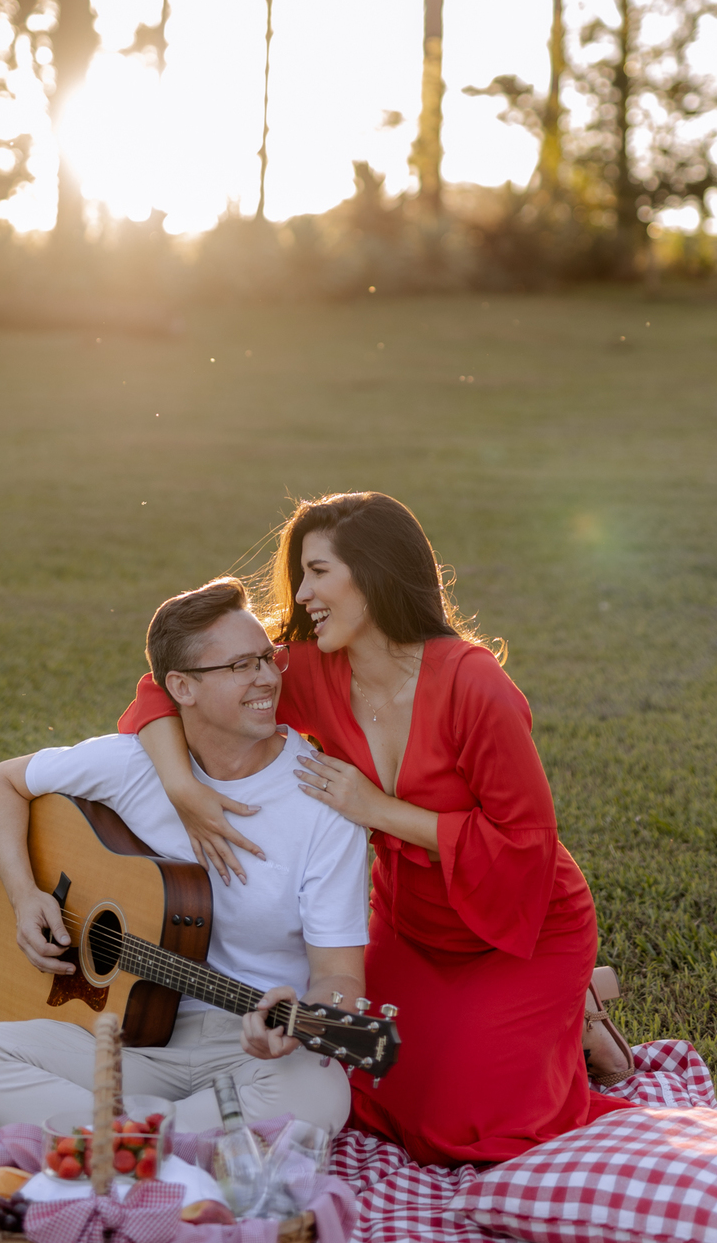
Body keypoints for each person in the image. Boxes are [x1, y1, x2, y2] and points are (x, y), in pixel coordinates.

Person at [117, 492, 636, 1168]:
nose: (302, 594)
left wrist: (376, 809)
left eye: (318, 572)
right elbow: (163, 688)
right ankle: (554, 1019)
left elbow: (526, 844)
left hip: (521, 924)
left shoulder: (475, 685)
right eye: (300, 575)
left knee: (468, 1130)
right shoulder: (312, 670)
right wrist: (183, 789)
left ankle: (575, 1012)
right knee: (358, 1074)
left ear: (374, 573)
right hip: (411, 922)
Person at [0, 577, 369, 1137]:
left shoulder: (323, 800)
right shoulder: (130, 765)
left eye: (268, 657)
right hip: (119, 1037)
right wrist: (25, 895)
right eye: (240, 666)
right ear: (181, 687)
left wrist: (299, 1019)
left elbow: (340, 975)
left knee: (318, 1094)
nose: (267, 678)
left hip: (247, 1053)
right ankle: (173, 1139)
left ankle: (105, 1137)